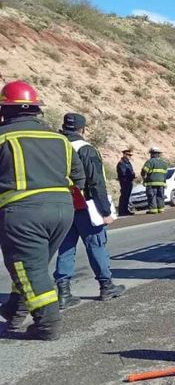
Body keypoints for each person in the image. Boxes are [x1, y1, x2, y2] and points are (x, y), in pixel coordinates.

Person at [0, 81, 85, 340]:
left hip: (23, 214)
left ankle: (48, 324)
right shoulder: (60, 140)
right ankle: (14, 310)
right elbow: (78, 178)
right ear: (36, 110)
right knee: (31, 265)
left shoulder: (3, 138)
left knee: (30, 268)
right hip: (62, 212)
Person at [54, 113, 125, 309]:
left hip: (62, 205)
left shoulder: (55, 146)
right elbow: (96, 182)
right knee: (96, 245)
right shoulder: (86, 149)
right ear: (83, 129)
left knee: (66, 247)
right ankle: (106, 286)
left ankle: (64, 292)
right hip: (86, 205)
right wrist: (105, 211)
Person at [141, 147, 169, 214]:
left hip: (151, 183)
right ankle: (161, 209)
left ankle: (153, 210)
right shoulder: (164, 163)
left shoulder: (150, 162)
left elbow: (144, 171)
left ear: (152, 154)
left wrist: (144, 178)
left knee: (152, 196)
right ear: (158, 154)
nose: (150, 155)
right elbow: (165, 174)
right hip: (161, 184)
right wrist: (164, 183)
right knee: (160, 196)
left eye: (151, 153)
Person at [116, 148, 135, 216]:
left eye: (130, 155)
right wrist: (131, 175)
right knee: (124, 196)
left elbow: (131, 171)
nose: (129, 156)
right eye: (128, 155)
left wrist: (133, 175)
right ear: (124, 155)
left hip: (129, 181)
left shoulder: (128, 163)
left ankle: (126, 210)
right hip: (124, 182)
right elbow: (123, 173)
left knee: (127, 197)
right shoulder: (121, 163)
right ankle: (122, 211)